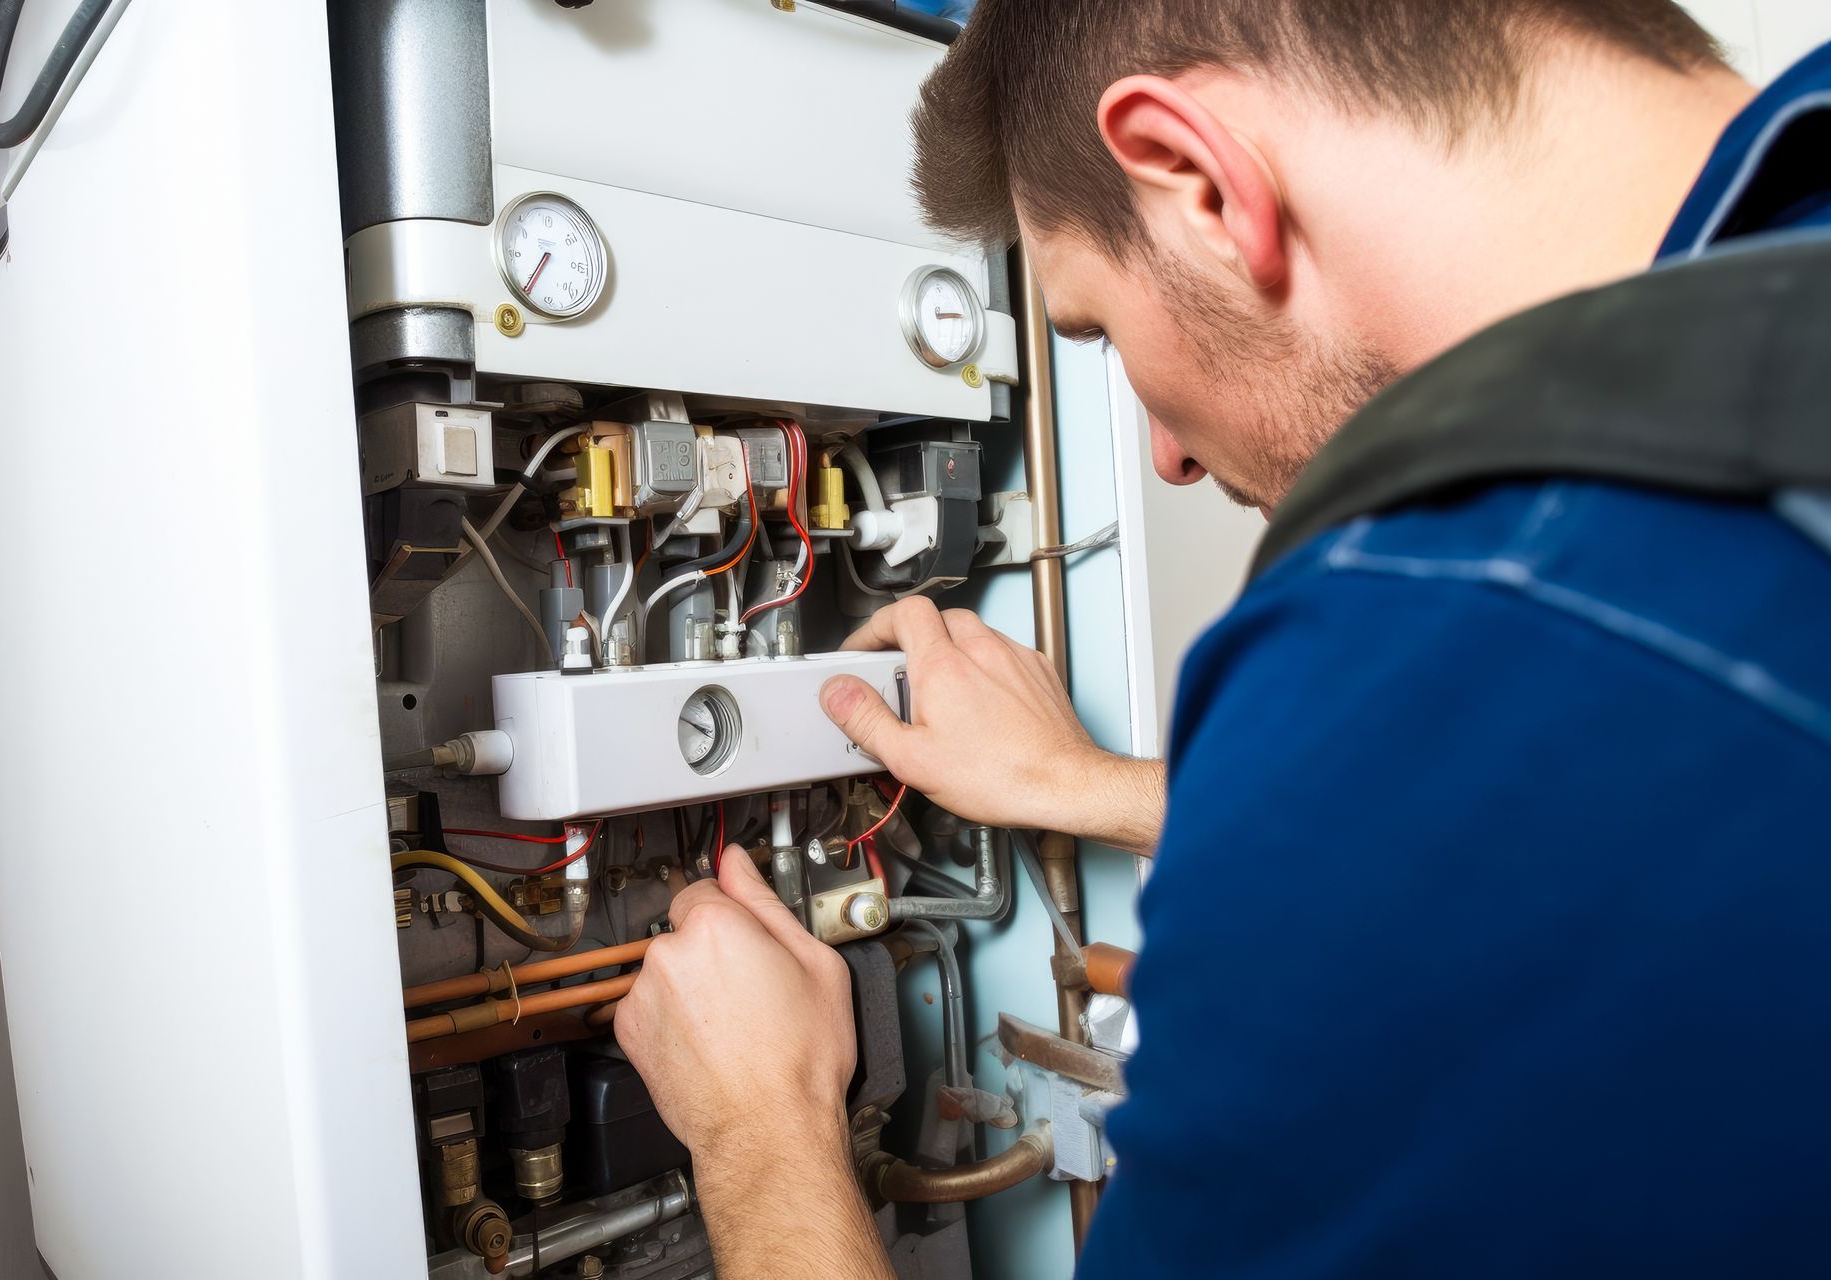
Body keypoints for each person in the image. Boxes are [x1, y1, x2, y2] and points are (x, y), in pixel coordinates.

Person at [617, 2, 1831, 1275]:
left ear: (1197, 176)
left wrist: (759, 1127)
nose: (1167, 455)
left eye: (1096, 330)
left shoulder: (1426, 630)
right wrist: (1087, 788)